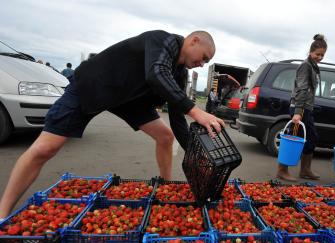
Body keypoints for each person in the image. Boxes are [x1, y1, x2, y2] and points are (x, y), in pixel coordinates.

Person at [0, 30, 224, 218]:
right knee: (45, 148)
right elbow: (156, 73)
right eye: (204, 57)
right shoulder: (162, 41)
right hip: (94, 85)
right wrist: (196, 112)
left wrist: (194, 155)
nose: (203, 64)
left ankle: (164, 188)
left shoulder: (180, 73)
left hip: (128, 101)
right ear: (193, 40)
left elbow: (177, 118)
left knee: (165, 137)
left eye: (206, 62)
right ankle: (3, 213)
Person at [276, 34, 327, 181]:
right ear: (311, 52)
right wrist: (298, 112)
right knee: (292, 138)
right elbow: (302, 89)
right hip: (300, 107)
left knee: (311, 138)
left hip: (306, 108)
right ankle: (282, 170)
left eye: (322, 55)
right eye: (318, 54)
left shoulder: (313, 66)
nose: (320, 57)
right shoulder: (306, 66)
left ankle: (305, 170)